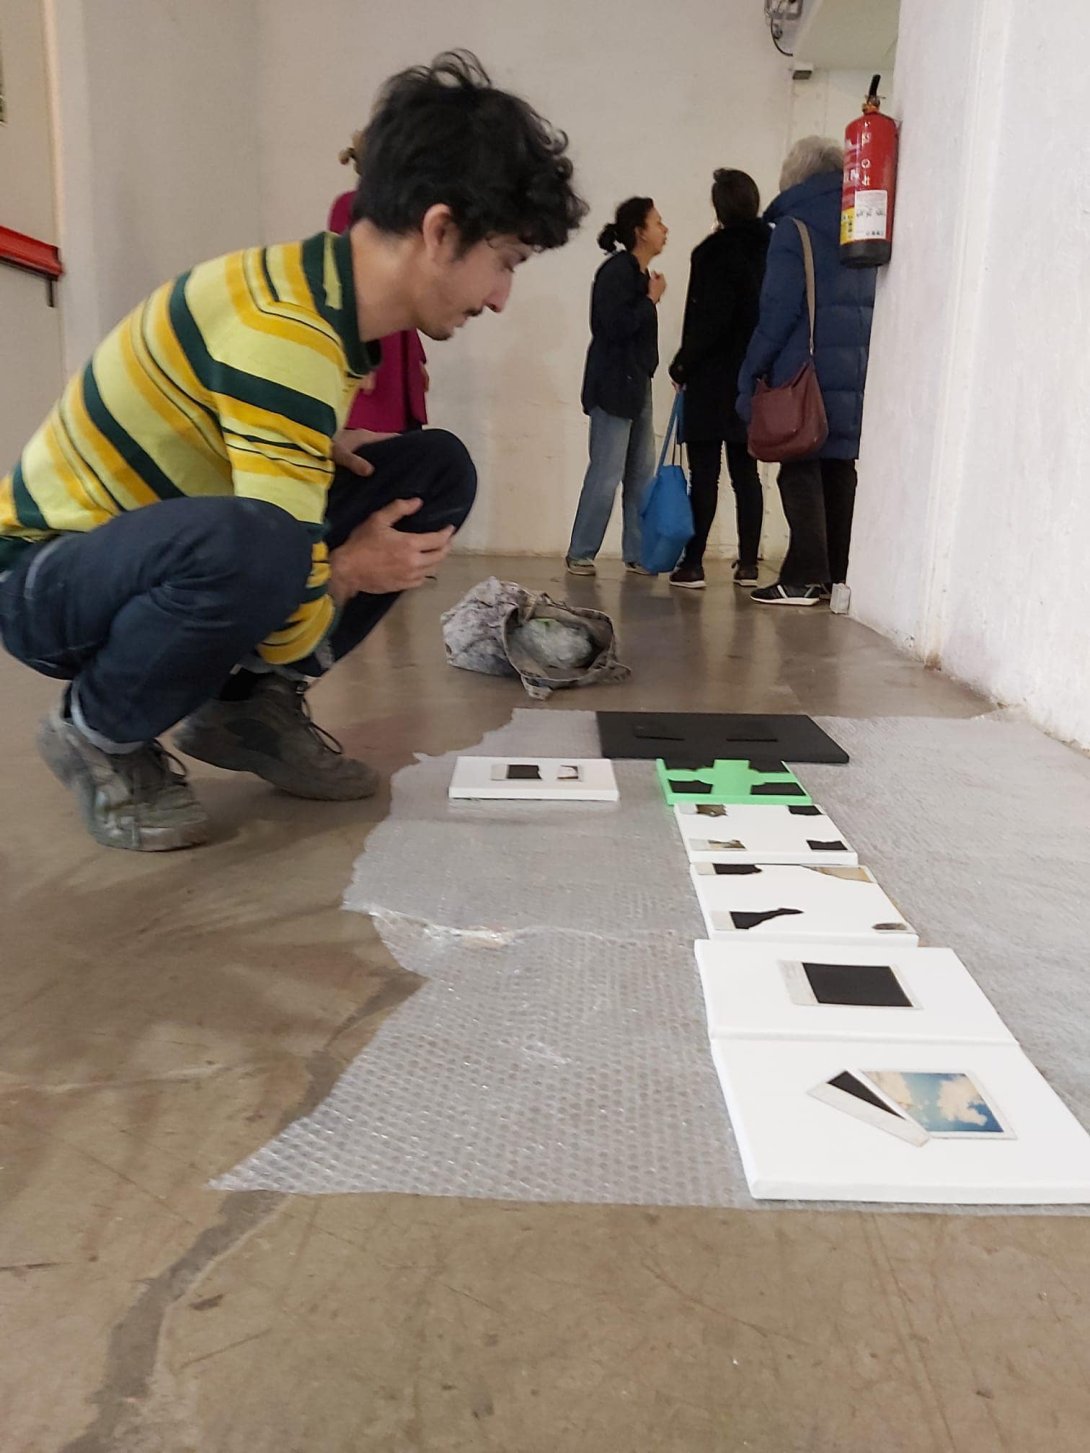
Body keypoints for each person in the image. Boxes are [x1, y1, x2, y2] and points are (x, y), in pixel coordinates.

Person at [0, 52, 586, 852]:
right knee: (270, 546)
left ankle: (246, 711)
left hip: (143, 551)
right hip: (45, 581)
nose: (500, 296)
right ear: (440, 230)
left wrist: (316, 451)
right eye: (505, 262)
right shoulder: (289, 334)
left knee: (431, 468)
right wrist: (349, 570)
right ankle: (95, 732)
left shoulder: (316, 301)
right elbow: (281, 590)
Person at [736, 135, 875, 605]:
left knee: (797, 461)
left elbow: (777, 313)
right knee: (838, 466)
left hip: (805, 370)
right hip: (854, 372)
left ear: (795, 178)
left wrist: (751, 371)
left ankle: (805, 576)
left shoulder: (793, 230)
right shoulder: (863, 224)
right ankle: (837, 574)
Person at [668, 169, 770, 590]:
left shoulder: (711, 253)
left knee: (704, 476)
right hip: (753, 375)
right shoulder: (773, 246)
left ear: (719, 207)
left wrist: (682, 363)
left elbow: (708, 320)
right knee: (746, 473)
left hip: (712, 378)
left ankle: (693, 564)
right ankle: (748, 564)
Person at [565, 197, 668, 577]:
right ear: (639, 232)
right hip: (613, 385)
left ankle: (638, 552)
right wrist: (651, 301)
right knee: (606, 472)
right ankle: (581, 551)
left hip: (636, 383)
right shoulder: (617, 272)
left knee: (641, 472)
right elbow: (612, 326)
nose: (665, 229)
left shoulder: (639, 276)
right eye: (658, 222)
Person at [329, 132, 430, 434]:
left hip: (397, 329)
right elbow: (343, 275)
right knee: (374, 425)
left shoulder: (398, 210)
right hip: (371, 330)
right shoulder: (349, 206)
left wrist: (418, 359)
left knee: (404, 429)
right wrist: (354, 350)